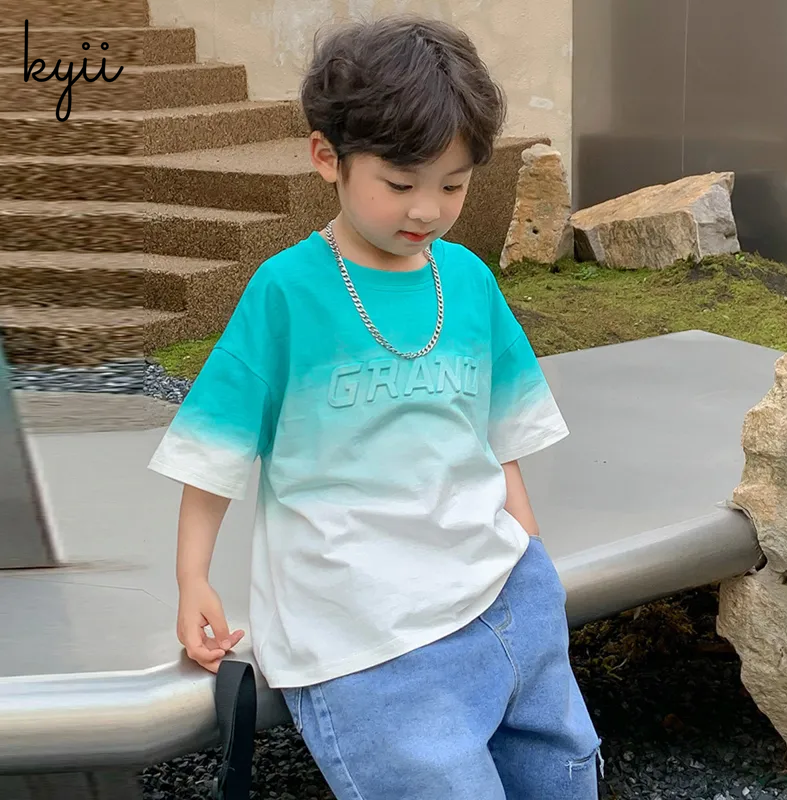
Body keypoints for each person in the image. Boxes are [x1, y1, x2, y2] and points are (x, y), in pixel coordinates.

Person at [148, 14, 602, 799]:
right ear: (327, 157)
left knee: (560, 778)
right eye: (400, 184)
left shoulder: (467, 280)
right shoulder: (287, 292)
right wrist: (193, 577)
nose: (427, 209)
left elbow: (499, 436)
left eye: (453, 185)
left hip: (502, 596)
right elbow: (215, 447)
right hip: (361, 633)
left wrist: (532, 563)